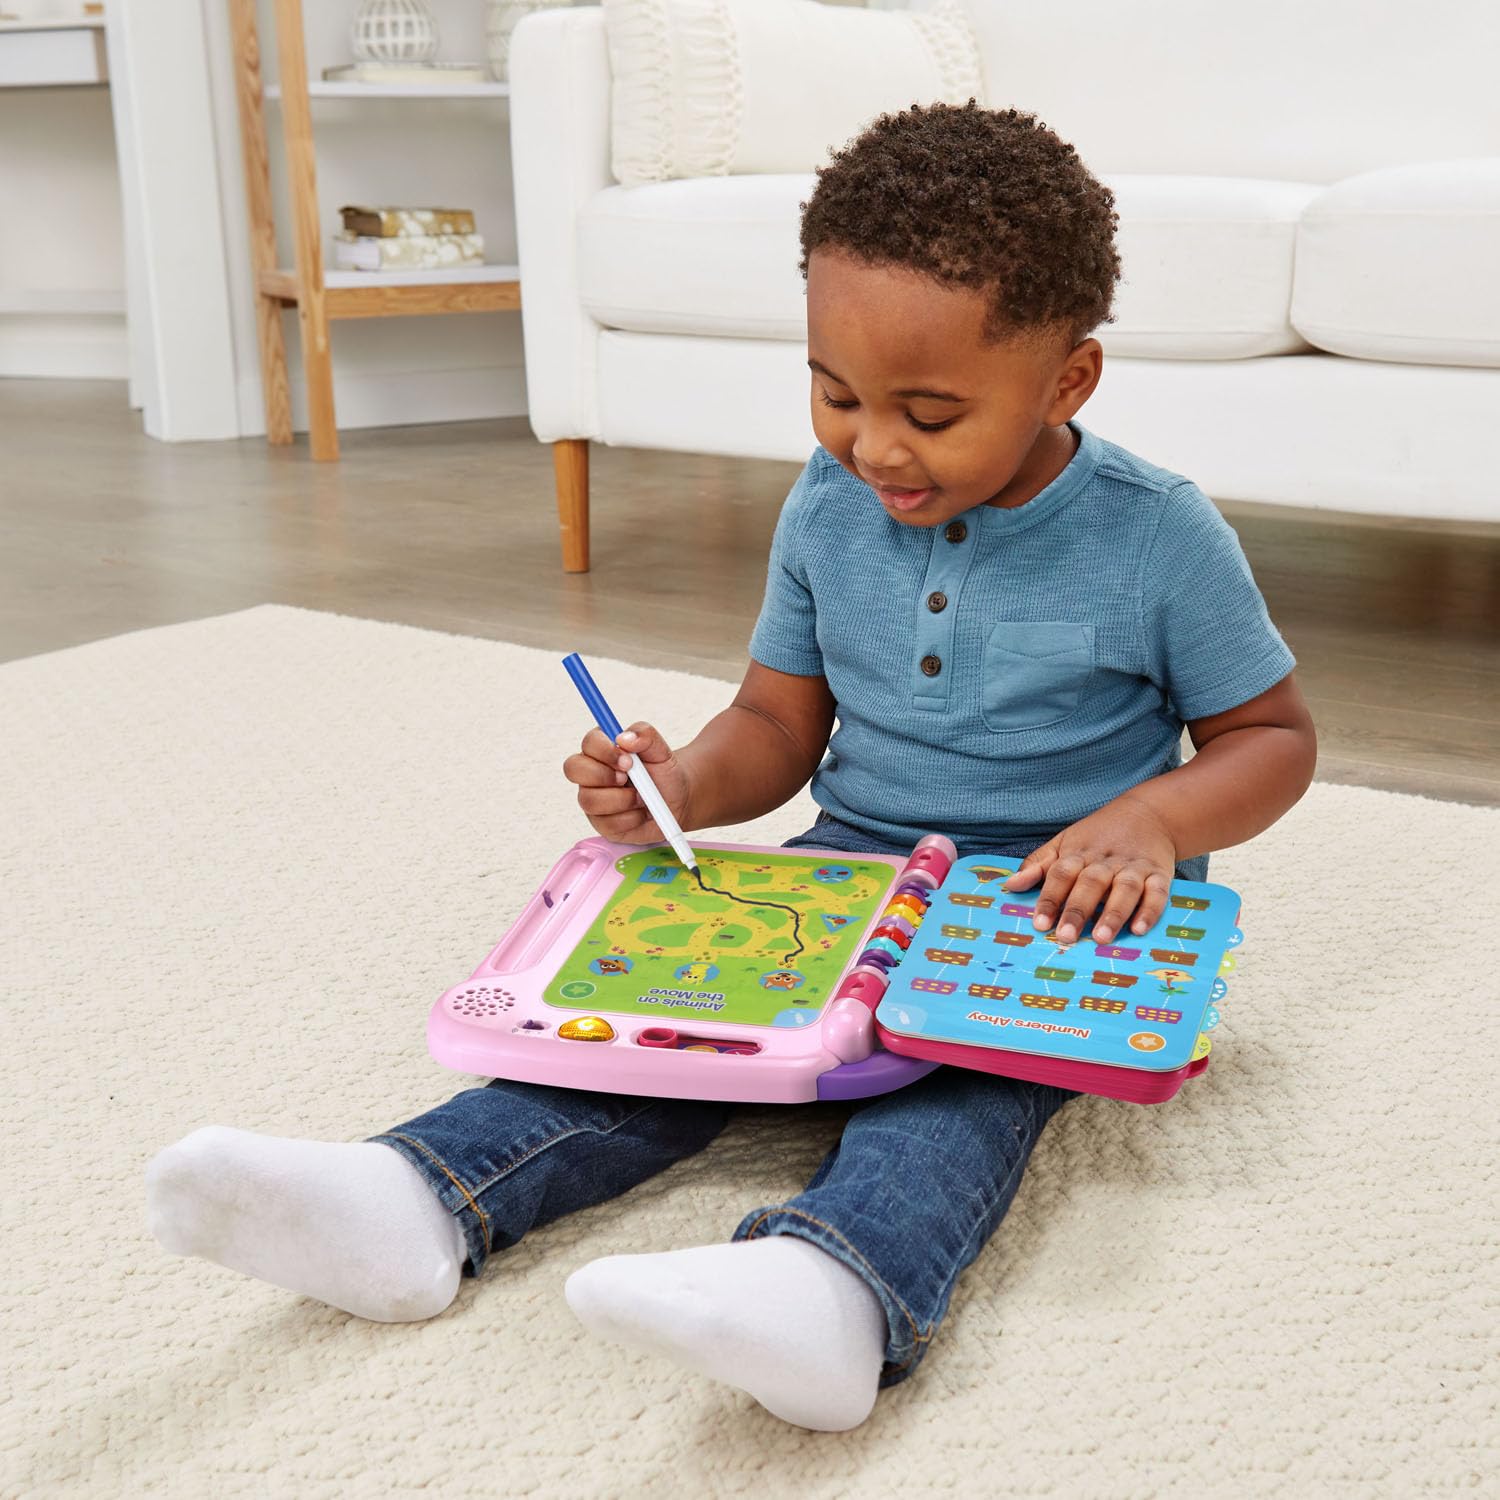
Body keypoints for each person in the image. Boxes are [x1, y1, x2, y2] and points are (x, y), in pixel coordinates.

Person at [145, 102, 1317, 1433]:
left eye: (931, 413)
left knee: (961, 1091)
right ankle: (413, 1198)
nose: (875, 448)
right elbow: (776, 722)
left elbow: (1272, 741)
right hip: (850, 871)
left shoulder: (1159, 536)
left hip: (1054, 903)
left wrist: (1150, 822)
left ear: (1068, 382)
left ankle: (837, 1293)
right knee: (656, 1030)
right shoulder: (829, 505)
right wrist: (686, 788)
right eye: (836, 394)